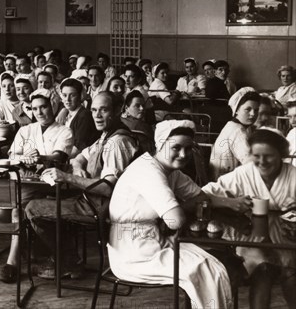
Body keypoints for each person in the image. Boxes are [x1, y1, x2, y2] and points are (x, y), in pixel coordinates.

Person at [108, 120, 233, 308]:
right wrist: (187, 205)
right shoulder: (148, 170)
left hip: (154, 242)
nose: (183, 154)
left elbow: (201, 197)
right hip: (133, 252)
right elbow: (176, 220)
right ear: (160, 143)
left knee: (214, 263)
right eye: (176, 147)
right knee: (204, 269)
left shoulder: (170, 170)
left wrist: (231, 203)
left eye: (188, 148)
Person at [27, 91, 140, 279]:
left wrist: (68, 177)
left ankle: (67, 262)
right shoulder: (105, 136)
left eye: (103, 110)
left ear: (118, 111)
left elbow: (107, 188)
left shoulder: (118, 142)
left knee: (32, 208)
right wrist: (78, 167)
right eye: (94, 110)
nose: (96, 115)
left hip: (101, 207)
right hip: (89, 199)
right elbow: (80, 156)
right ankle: (67, 259)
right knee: (46, 199)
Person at [203, 129, 296, 309]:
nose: (262, 162)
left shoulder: (293, 175)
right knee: (263, 271)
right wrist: (230, 202)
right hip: (253, 235)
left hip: (289, 238)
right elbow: (205, 194)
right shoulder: (244, 173)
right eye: (256, 155)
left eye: (268, 156)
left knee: (291, 275)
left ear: (282, 155)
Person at [0, 88, 74, 283]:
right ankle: (24, 245)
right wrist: (24, 159)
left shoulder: (64, 131)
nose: (39, 112)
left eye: (44, 107)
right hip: (25, 179)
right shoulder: (25, 130)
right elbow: (13, 156)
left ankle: (13, 261)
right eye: (35, 108)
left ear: (53, 107)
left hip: (49, 183)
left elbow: (59, 157)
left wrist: (40, 157)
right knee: (1, 209)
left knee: (16, 210)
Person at [210, 87, 260, 180]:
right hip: (226, 182)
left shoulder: (233, 125)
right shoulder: (238, 131)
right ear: (236, 110)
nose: (253, 114)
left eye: (256, 110)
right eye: (248, 109)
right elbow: (250, 163)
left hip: (223, 177)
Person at [55, 78, 97, 153]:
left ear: (80, 96)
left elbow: (78, 148)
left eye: (72, 95)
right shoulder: (66, 112)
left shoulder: (85, 116)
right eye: (64, 95)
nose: (67, 99)